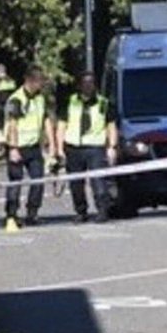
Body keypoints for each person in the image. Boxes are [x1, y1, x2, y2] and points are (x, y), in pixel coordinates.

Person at [57, 71, 119, 223]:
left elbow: (111, 126)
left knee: (98, 182)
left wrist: (112, 146)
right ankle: (80, 211)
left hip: (95, 147)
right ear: (79, 85)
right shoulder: (70, 102)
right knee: (76, 183)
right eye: (85, 83)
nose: (88, 86)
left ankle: (102, 211)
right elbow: (61, 126)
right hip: (73, 147)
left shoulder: (104, 103)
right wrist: (59, 148)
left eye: (91, 83)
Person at [4, 66, 57, 227]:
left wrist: (52, 145)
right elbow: (12, 125)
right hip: (17, 146)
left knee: (38, 180)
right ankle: (11, 214)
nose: (41, 85)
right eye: (40, 82)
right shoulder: (16, 99)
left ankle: (32, 212)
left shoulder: (40, 98)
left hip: (33, 147)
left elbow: (46, 121)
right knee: (15, 181)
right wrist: (13, 148)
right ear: (30, 81)